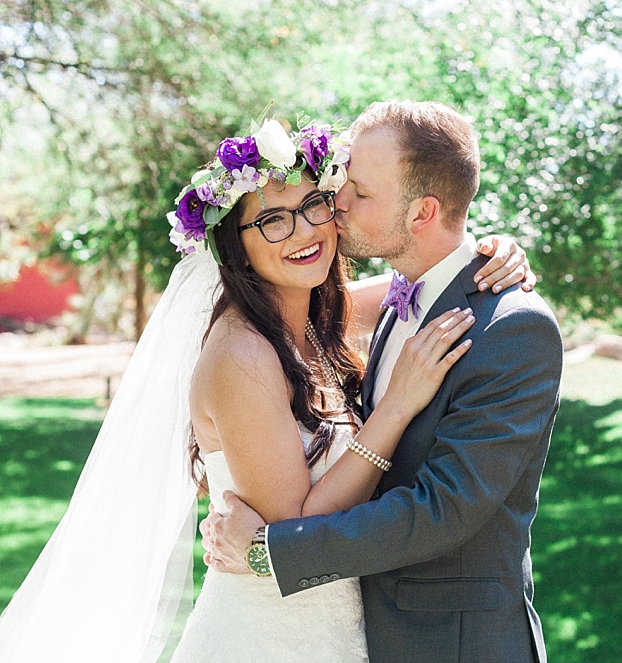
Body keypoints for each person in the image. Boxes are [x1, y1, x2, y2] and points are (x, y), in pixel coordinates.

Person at [0, 112, 533, 662]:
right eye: (273, 221)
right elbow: (293, 525)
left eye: (312, 205)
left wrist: (491, 252)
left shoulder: (314, 320)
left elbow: (426, 280)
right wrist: (395, 408)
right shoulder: (243, 354)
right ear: (236, 246)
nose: (303, 230)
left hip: (346, 624)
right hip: (272, 635)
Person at [204, 100, 563, 663]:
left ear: (421, 213)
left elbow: (442, 509)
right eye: (340, 185)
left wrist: (267, 552)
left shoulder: (513, 329)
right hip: (344, 629)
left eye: (358, 194)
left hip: (454, 644)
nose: (334, 207)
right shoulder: (394, 302)